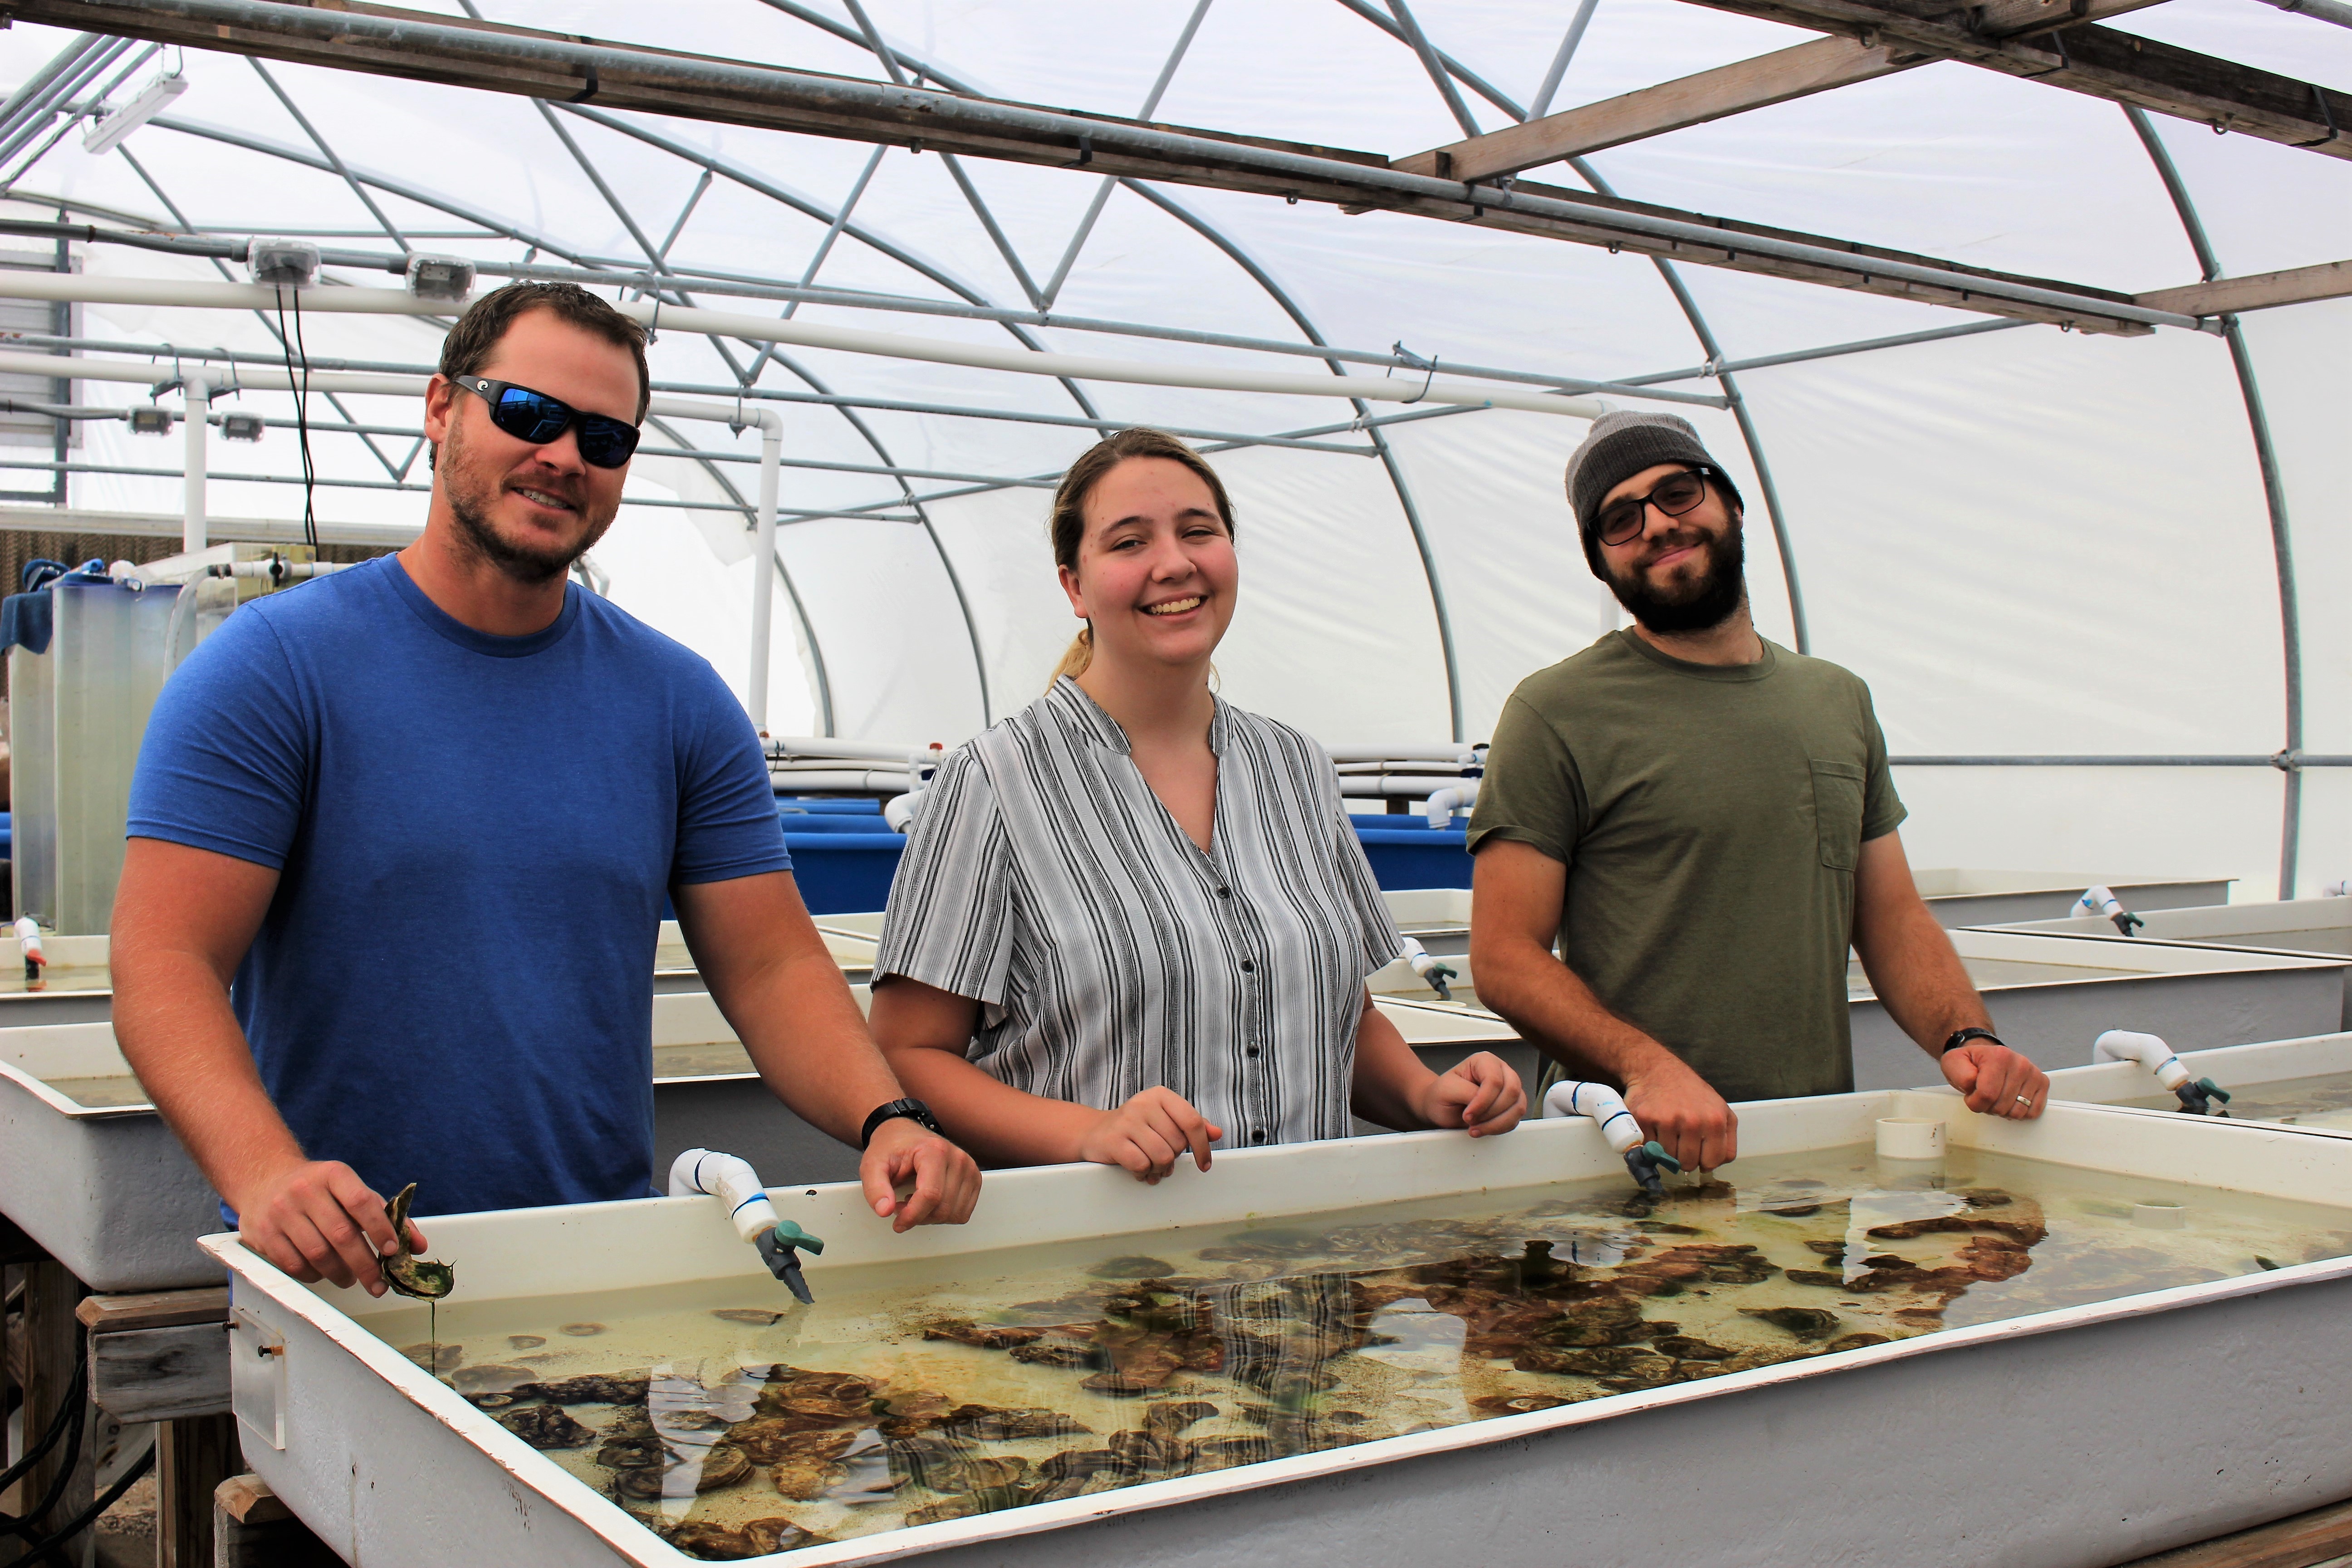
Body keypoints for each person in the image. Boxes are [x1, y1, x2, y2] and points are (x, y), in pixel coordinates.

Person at [113, 282, 979, 1298]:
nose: (564, 456)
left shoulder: (675, 702)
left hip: (591, 1265)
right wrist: (266, 1174)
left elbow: (774, 965)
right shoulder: (277, 669)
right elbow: (163, 958)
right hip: (351, 1271)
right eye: (527, 413)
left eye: (606, 439)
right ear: (443, 410)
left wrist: (889, 1120)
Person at [869, 427, 1525, 1179]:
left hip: (1307, 1266)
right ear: (1075, 586)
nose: (1173, 563)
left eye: (1197, 532)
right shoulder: (994, 781)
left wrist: (1427, 1094)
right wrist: (1085, 1133)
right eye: (1129, 543)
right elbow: (906, 1054)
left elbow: (1336, 1017)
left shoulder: (1296, 769)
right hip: (1101, 1274)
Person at [1468, 411, 2048, 1173]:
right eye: (1620, 518)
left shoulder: (1836, 700)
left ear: (1731, 504)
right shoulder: (1557, 711)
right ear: (1599, 563)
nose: (1656, 525)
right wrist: (1647, 1065)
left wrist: (1968, 1038)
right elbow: (1505, 955)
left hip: (1809, 1153)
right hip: (1629, 1156)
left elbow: (1891, 917)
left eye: (1677, 493)